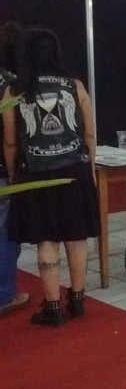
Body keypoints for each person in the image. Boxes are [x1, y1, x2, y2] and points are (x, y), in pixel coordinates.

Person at [2, 27, 99, 326]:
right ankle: (78, 300)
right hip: (75, 171)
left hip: (35, 173)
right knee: (76, 236)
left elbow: (10, 142)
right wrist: (90, 168)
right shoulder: (75, 85)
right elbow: (89, 134)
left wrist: (13, 175)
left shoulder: (15, 91)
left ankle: (53, 308)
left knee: (46, 238)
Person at [0, 21, 29, 317]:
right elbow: (11, 138)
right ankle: (4, 294)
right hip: (2, 170)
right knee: (5, 234)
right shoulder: (12, 84)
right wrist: (13, 173)